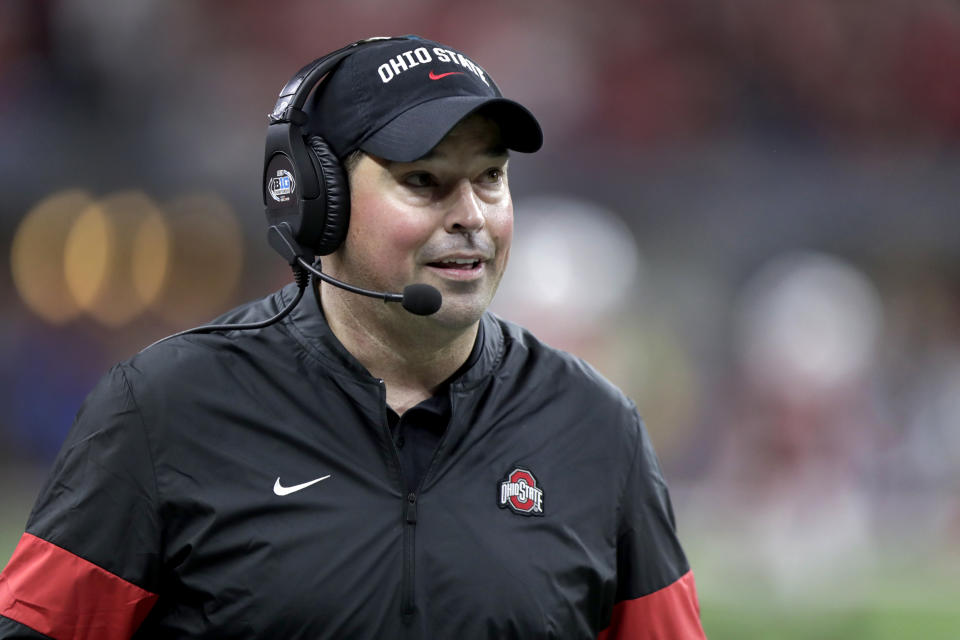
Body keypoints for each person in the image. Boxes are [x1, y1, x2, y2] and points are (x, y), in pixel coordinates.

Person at [0, 36, 706, 639]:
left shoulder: (597, 429)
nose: (472, 218)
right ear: (316, 204)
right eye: (425, 181)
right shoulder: (165, 409)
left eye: (490, 179)